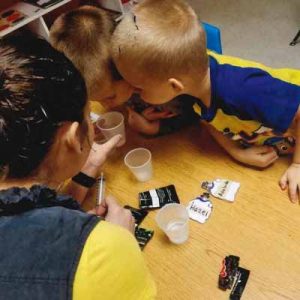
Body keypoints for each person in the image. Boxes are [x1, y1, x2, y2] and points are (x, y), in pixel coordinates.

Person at [0, 33, 156, 300]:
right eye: (89, 115)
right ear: (72, 138)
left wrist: (83, 177)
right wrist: (120, 241)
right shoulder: (103, 252)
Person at [111, 0, 300, 203]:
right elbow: (207, 120)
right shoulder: (193, 83)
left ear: (174, 86)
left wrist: (297, 166)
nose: (135, 93)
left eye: (139, 88)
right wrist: (236, 152)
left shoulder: (241, 91)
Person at [49, 5, 134, 109]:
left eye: (111, 97)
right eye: (95, 100)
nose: (106, 106)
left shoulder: (151, 83)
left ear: (126, 70)